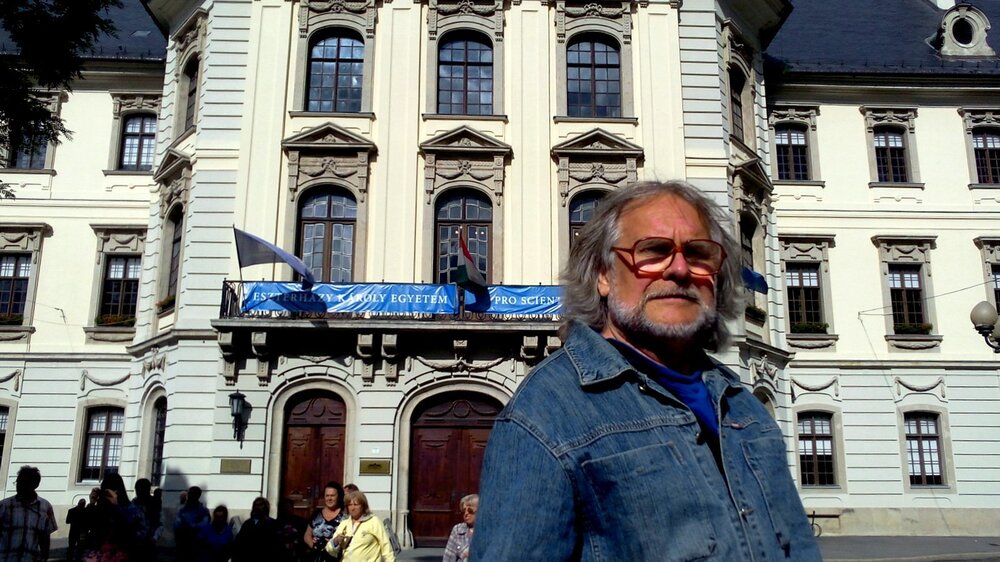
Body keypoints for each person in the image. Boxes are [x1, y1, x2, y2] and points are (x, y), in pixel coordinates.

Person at [471, 181, 822, 561]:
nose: (680, 269)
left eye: (698, 254)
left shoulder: (743, 404)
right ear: (603, 275)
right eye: (653, 251)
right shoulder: (544, 416)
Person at [81, 472, 147, 561]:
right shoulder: (100, 509)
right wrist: (92, 504)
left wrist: (117, 507)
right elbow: (85, 527)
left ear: (118, 491)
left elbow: (139, 535)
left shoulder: (132, 509)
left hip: (122, 555)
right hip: (98, 555)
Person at [0, 465, 57, 562]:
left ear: (35, 485)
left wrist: (44, 556)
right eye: (18, 482)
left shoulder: (45, 507)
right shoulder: (5, 505)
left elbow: (45, 537)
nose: (19, 486)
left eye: (24, 483)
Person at [328, 491, 395, 562]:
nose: (352, 508)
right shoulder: (344, 524)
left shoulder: (374, 521)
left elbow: (386, 546)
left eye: (356, 504)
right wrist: (335, 541)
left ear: (363, 506)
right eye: (350, 505)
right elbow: (330, 550)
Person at [303, 481, 347, 561]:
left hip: (335, 557)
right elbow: (307, 535)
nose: (329, 498)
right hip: (315, 557)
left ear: (338, 496)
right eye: (327, 495)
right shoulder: (316, 514)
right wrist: (313, 546)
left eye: (332, 495)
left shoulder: (345, 517)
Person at [232, 497, 279, 562]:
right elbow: (239, 542)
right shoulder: (247, 523)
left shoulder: (272, 523)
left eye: (260, 505)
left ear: (265, 507)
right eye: (255, 505)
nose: (257, 507)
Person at [174, 486, 210, 561]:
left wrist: (191, 526)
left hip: (197, 545)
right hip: (183, 543)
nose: (190, 496)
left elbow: (204, 526)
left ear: (198, 496)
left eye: (193, 494)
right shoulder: (182, 509)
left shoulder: (203, 510)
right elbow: (177, 524)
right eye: (189, 494)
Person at [442, 494, 477, 562]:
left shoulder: (489, 531)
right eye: (463, 511)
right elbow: (448, 558)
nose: (466, 514)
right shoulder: (458, 530)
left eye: (470, 511)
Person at [130, 479, 158, 560]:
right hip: (135, 542)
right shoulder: (133, 503)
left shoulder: (154, 503)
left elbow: (159, 523)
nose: (139, 493)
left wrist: (154, 537)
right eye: (137, 490)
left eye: (142, 490)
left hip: (149, 542)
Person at [275, 497, 307, 562]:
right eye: (284, 507)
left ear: (292, 508)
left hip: (297, 554)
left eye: (288, 507)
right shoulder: (275, 523)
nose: (286, 509)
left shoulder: (300, 521)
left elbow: (304, 537)